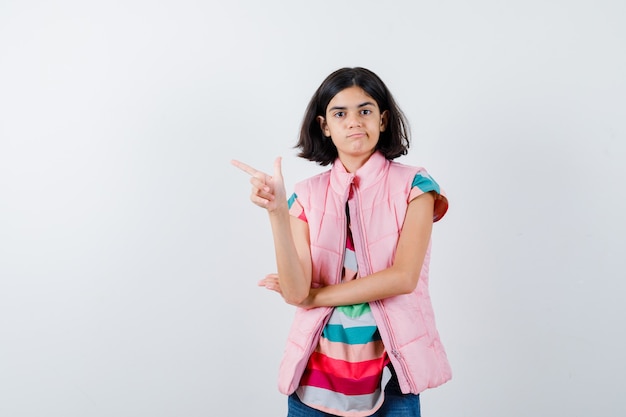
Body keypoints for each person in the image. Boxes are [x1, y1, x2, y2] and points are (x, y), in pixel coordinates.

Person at [232, 67, 451, 417]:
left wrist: (315, 296)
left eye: (365, 111)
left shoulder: (416, 187)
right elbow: (294, 291)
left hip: (392, 371)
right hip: (315, 377)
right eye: (340, 113)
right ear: (324, 126)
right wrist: (276, 212)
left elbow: (402, 278)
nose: (353, 122)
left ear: (382, 120)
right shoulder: (305, 196)